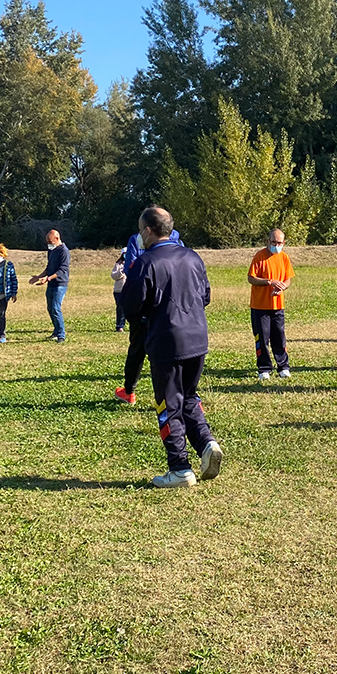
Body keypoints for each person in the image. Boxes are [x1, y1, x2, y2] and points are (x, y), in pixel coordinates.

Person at [121, 206, 222, 488]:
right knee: (189, 396)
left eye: (141, 230)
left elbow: (131, 307)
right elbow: (206, 295)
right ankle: (206, 444)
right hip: (197, 338)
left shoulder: (145, 262)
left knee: (168, 405)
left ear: (148, 230)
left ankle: (179, 467)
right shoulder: (193, 256)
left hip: (166, 341)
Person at [117, 227, 182, 404]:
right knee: (173, 349)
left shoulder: (136, 239)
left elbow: (131, 270)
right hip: (172, 303)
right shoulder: (177, 240)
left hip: (145, 302)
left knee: (138, 348)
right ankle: (184, 396)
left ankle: (129, 391)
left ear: (147, 229)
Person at [248, 228, 293, 380]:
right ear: (268, 242)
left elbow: (288, 279)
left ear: (283, 243)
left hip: (278, 305)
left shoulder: (284, 257)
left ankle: (283, 366)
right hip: (260, 306)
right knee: (262, 338)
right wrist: (269, 282)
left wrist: (281, 287)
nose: (276, 245)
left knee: (279, 336)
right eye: (273, 242)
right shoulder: (259, 256)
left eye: (279, 243)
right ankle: (264, 368)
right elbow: (251, 278)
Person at [29, 229, 70, 342]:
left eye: (50, 242)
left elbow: (63, 270)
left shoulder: (64, 251)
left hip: (60, 284)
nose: (49, 244)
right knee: (50, 309)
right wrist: (38, 276)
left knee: (56, 308)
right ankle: (56, 331)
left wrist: (47, 278)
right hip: (51, 283)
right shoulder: (51, 250)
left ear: (57, 239)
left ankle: (61, 335)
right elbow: (49, 268)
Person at [111, 251, 128, 332]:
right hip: (119, 290)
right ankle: (120, 325)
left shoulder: (133, 263)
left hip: (129, 290)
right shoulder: (118, 265)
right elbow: (113, 275)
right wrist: (121, 272)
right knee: (120, 308)